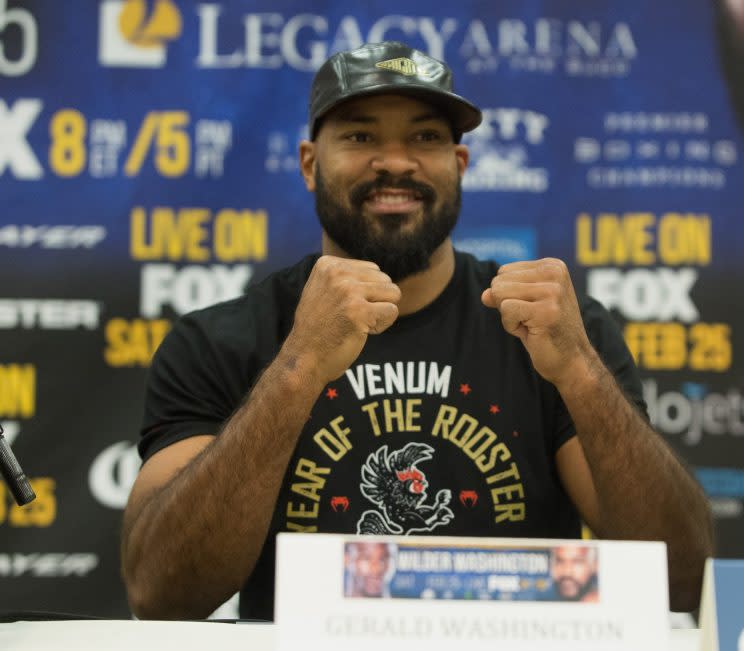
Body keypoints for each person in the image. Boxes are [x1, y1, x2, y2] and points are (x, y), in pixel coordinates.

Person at [120, 41, 713, 621]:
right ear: (309, 164)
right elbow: (162, 594)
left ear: (459, 166)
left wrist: (582, 374)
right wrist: (297, 368)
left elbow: (682, 582)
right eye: (360, 135)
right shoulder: (219, 340)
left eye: (426, 137)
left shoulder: (553, 332)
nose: (396, 161)